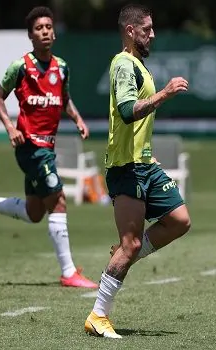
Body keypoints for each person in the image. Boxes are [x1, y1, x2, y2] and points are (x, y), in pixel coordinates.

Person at [0, 6, 97, 289]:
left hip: (46, 147)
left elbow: (65, 98)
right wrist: (10, 128)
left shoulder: (62, 67)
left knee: (36, 213)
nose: (45, 31)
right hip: (30, 147)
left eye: (48, 27)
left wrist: (78, 119)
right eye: (39, 28)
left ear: (54, 33)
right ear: (30, 36)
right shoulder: (21, 67)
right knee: (58, 199)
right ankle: (69, 272)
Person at [84, 3, 191, 339]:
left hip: (144, 163)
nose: (152, 34)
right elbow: (128, 111)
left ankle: (124, 254)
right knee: (129, 245)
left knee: (179, 220)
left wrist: (150, 153)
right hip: (125, 168)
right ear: (130, 31)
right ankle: (98, 315)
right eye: (146, 29)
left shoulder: (139, 66)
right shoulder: (123, 64)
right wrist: (165, 94)